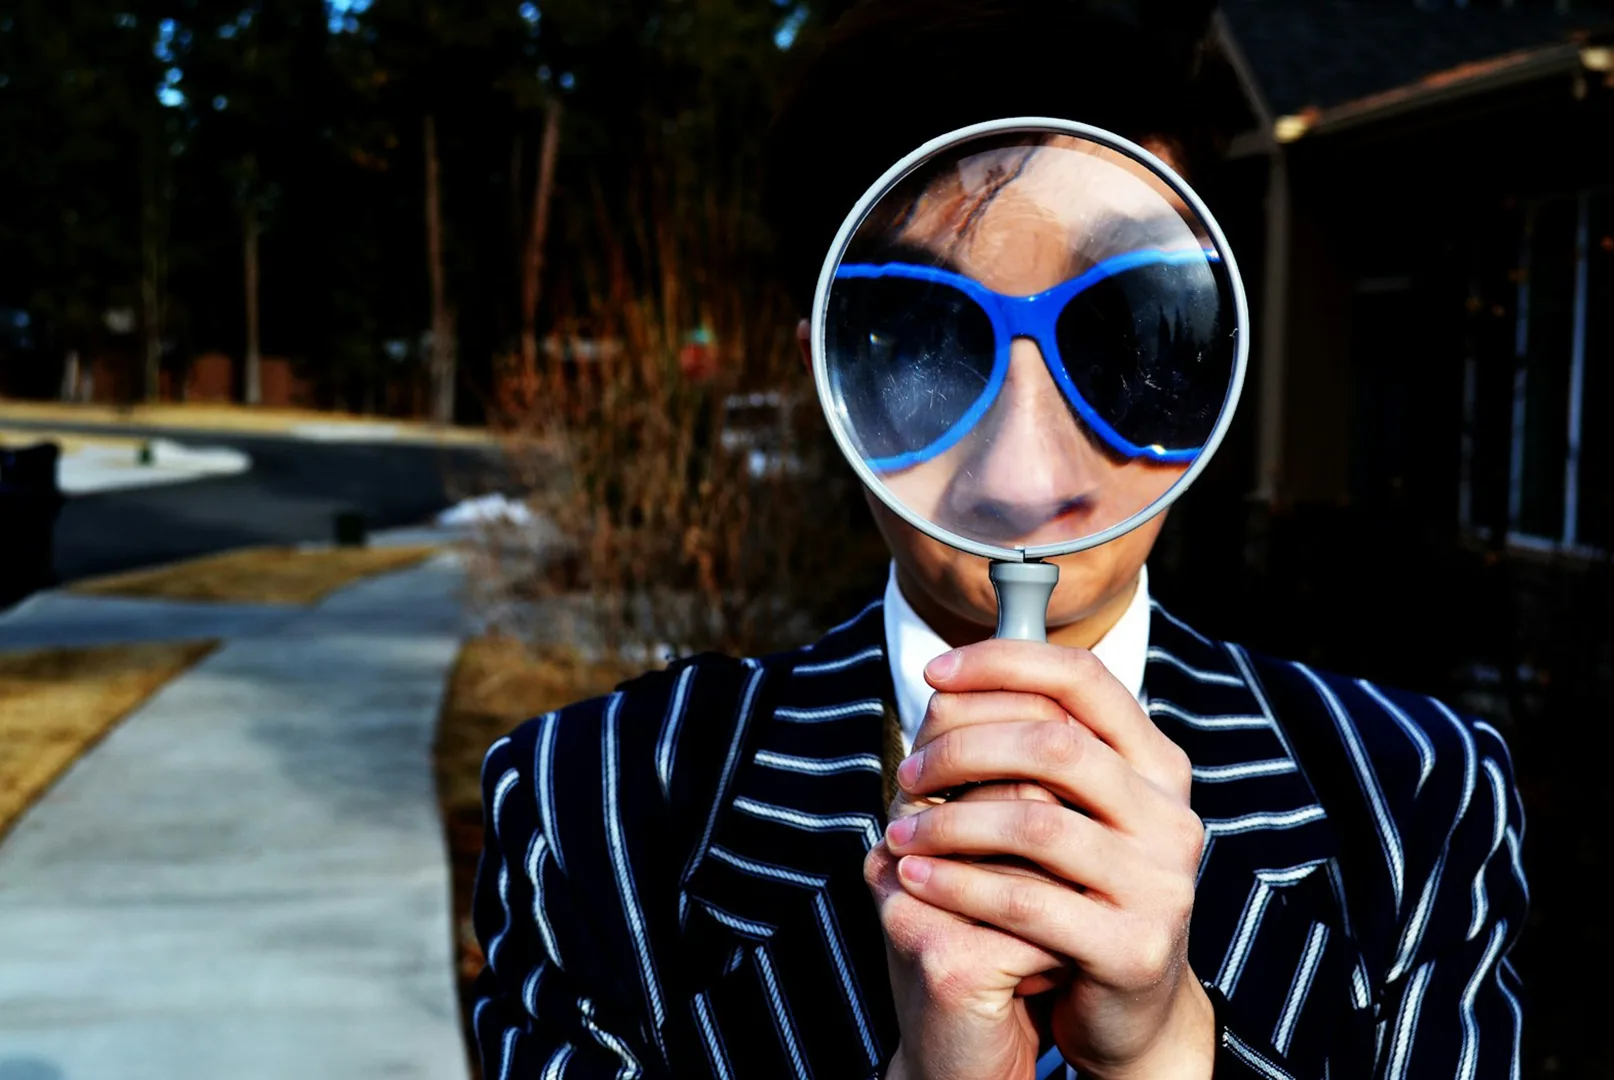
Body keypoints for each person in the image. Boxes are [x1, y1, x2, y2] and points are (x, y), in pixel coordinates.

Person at [470, 2, 1528, 1078]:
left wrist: (1165, 1055)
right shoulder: (594, 811)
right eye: (922, 342)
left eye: (1124, 328)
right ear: (824, 381)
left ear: (1216, 349)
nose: (1023, 481)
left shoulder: (1416, 801)